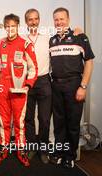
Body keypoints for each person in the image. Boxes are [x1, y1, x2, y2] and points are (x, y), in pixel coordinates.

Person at [49, 7, 94, 168]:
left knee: (73, 124)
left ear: (68, 19)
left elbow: (89, 61)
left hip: (74, 85)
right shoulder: (52, 40)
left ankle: (70, 155)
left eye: (62, 19)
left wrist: (83, 86)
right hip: (56, 85)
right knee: (59, 123)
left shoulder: (79, 37)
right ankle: (59, 152)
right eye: (56, 19)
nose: (59, 22)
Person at [0, 14, 38, 167]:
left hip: (19, 90)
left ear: (18, 26)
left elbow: (33, 68)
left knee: (20, 123)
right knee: (4, 122)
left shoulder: (25, 44)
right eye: (7, 26)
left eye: (13, 26)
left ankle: (21, 149)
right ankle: (4, 148)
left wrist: (28, 85)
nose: (10, 29)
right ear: (5, 27)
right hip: (3, 89)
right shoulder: (1, 43)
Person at [23, 9, 52, 164]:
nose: (33, 22)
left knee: (45, 118)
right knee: (28, 118)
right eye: (30, 19)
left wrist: (77, 32)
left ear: (39, 20)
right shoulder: (22, 40)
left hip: (44, 81)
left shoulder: (48, 39)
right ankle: (32, 147)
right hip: (27, 82)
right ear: (26, 22)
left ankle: (44, 149)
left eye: (35, 19)